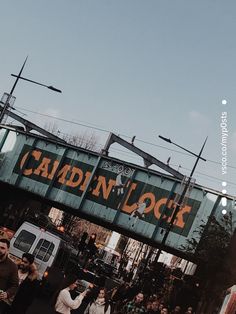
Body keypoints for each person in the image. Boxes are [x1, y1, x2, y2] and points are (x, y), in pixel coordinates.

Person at [0, 238, 18, 314]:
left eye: (2, 248)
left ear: (8, 250)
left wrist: (7, 294)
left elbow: (15, 285)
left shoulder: (12, 266)